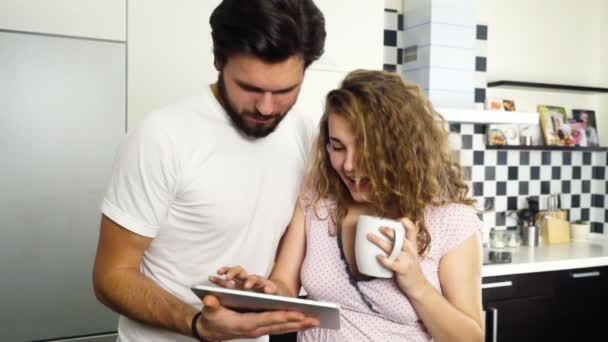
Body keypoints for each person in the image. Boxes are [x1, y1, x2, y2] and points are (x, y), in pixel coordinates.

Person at [92, 1, 326, 341]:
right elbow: (110, 276)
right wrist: (197, 322)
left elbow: (289, 253)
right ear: (218, 59)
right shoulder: (162, 137)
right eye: (250, 88)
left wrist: (272, 286)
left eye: (284, 91)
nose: (266, 107)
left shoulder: (305, 134)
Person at [211, 70, 484, 341]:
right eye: (338, 147)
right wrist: (256, 292)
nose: (350, 165)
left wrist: (416, 285)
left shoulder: (450, 219)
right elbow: (285, 286)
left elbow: (470, 339)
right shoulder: (316, 200)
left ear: (399, 149)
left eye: (366, 148)